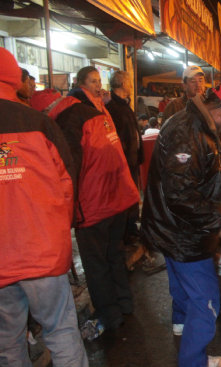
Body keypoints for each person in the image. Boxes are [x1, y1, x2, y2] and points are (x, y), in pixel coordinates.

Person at [141, 85, 221, 367]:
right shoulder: (189, 132)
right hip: (183, 231)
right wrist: (219, 222)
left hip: (171, 228)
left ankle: (180, 327)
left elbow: (204, 177)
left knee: (181, 286)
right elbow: (181, 195)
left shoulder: (195, 122)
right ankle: (193, 361)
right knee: (206, 299)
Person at [0, 48, 88, 366]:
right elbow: (67, 184)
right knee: (61, 331)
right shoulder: (40, 124)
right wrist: (57, 232)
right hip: (42, 252)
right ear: (14, 79)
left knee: (8, 343)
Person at [58, 66, 140, 333]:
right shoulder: (96, 112)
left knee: (98, 263)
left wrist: (67, 208)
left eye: (99, 81)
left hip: (95, 205)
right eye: (93, 81)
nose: (97, 86)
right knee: (112, 255)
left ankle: (111, 314)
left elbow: (68, 166)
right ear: (81, 83)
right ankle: (123, 304)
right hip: (114, 199)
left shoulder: (77, 113)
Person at [105, 71, 144, 250]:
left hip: (132, 160)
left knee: (132, 196)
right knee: (126, 198)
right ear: (122, 83)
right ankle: (127, 233)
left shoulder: (124, 105)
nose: (131, 85)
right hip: (124, 162)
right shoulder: (113, 108)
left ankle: (131, 229)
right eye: (129, 82)